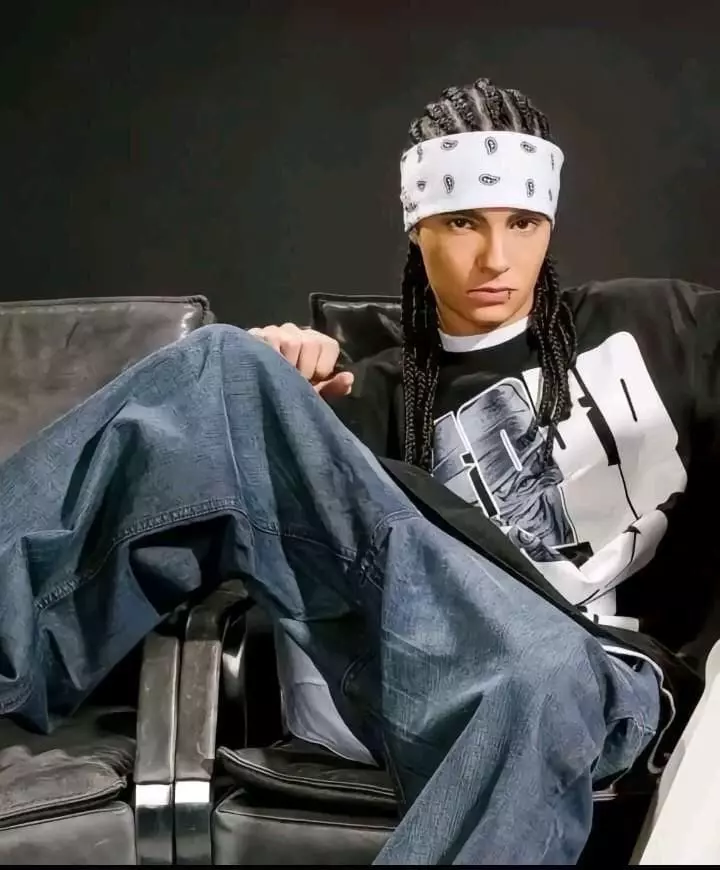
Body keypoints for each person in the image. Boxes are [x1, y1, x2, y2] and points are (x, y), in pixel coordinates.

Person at [0, 76, 714, 865]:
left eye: (523, 223)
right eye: (463, 222)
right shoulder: (368, 392)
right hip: (419, 667)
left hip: (604, 680)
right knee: (222, 365)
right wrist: (278, 394)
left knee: (543, 671)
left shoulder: (665, 324)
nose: (496, 257)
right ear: (417, 228)